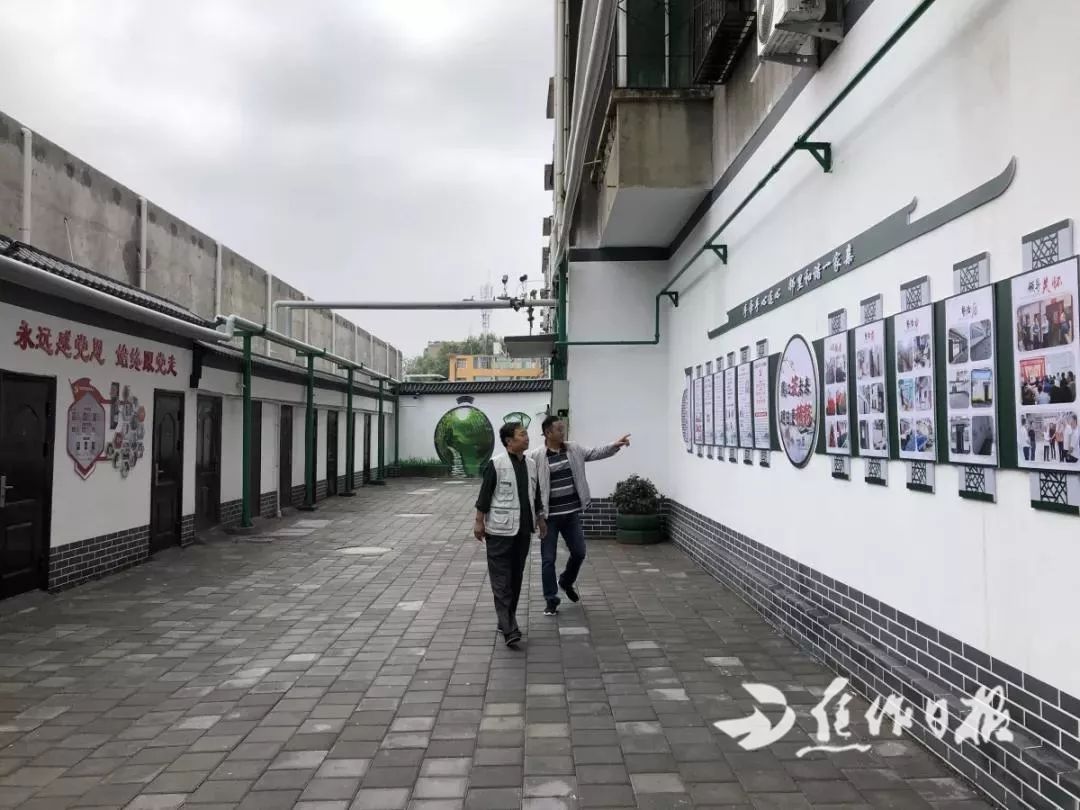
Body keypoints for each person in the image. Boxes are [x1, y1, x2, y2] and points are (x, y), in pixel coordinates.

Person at [529, 416, 630, 615]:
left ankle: (566, 581)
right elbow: (533, 488)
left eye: (563, 428)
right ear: (548, 433)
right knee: (548, 559)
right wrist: (539, 517)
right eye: (559, 429)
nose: (563, 432)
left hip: (571, 515)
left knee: (579, 552)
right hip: (549, 518)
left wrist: (615, 446)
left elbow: (594, 453)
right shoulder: (536, 457)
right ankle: (551, 600)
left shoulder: (573, 449)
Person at [473, 421, 548, 647]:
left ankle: (505, 620)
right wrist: (479, 522)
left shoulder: (531, 464)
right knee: (501, 580)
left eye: (526, 434)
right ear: (509, 441)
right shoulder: (496, 464)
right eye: (522, 434)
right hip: (499, 531)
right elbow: (484, 495)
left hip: (523, 531)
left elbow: (535, 495)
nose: (527, 438)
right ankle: (509, 629)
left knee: (515, 578)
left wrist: (541, 519)